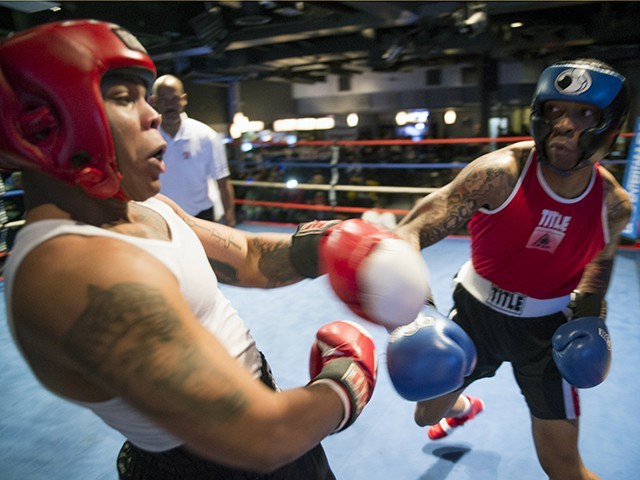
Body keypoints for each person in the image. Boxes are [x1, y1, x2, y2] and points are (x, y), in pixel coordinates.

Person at [0, 20, 421, 479]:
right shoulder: (75, 270)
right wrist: (348, 378)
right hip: (211, 460)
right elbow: (261, 437)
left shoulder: (144, 207)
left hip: (253, 423)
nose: (154, 114)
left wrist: (335, 245)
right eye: (123, 97)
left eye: (146, 96)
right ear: (44, 125)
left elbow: (246, 257)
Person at [394, 58, 631, 479]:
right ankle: (462, 406)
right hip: (475, 317)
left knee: (563, 467)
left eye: (584, 114)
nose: (564, 125)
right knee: (424, 416)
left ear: (609, 126)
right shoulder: (498, 176)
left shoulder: (613, 205)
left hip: (547, 331)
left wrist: (591, 311)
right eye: (555, 111)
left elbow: (602, 256)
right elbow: (409, 231)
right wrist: (421, 311)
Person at [150, 74, 237, 226]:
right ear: (154, 101)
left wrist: (230, 220)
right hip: (160, 217)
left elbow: (222, 181)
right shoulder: (147, 136)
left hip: (200, 216)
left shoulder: (206, 136)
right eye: (164, 99)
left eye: (174, 98)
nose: (170, 104)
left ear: (184, 99)